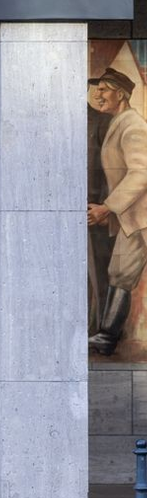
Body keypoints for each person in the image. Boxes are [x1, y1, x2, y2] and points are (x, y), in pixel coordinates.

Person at [87, 67, 147, 356]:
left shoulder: (133, 126)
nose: (97, 95)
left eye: (103, 90)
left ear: (120, 94)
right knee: (119, 272)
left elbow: (141, 174)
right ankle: (107, 336)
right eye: (97, 89)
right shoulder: (119, 123)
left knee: (121, 272)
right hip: (131, 217)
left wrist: (108, 207)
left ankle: (107, 336)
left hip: (140, 218)